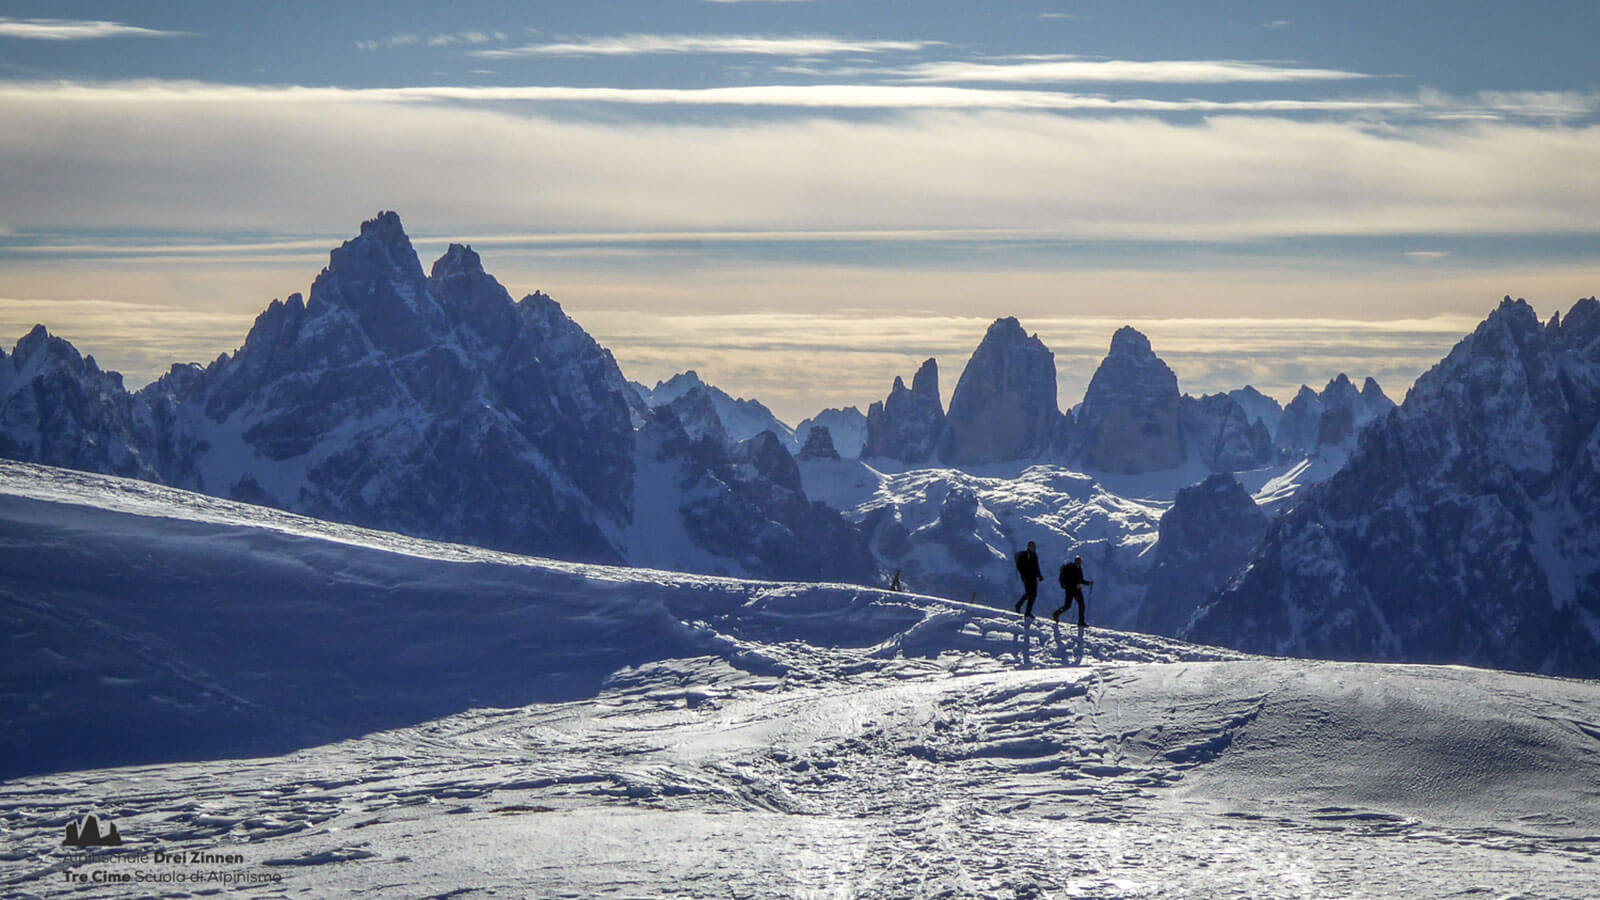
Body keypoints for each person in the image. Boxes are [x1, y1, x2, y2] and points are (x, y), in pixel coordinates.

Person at [1052, 556, 1094, 628]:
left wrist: (1088, 583)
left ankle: (1081, 621)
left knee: (1080, 605)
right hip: (1070, 590)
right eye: (1078, 562)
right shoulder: (1072, 569)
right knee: (1068, 606)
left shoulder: (1079, 569)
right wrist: (1077, 584)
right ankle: (1056, 613)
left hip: (1076, 590)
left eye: (1079, 562)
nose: (1079, 564)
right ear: (1075, 562)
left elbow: (1080, 580)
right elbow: (1071, 580)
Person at [1013, 541, 1043, 617]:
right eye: (1032, 546)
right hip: (1027, 578)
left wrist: (1039, 575)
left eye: (1034, 547)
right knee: (1029, 594)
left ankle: (1025, 610)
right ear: (1029, 547)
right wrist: (1024, 577)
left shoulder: (1034, 555)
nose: (1034, 548)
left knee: (1033, 595)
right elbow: (1021, 567)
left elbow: (1036, 566)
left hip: (1033, 577)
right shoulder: (1025, 555)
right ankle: (1022, 608)